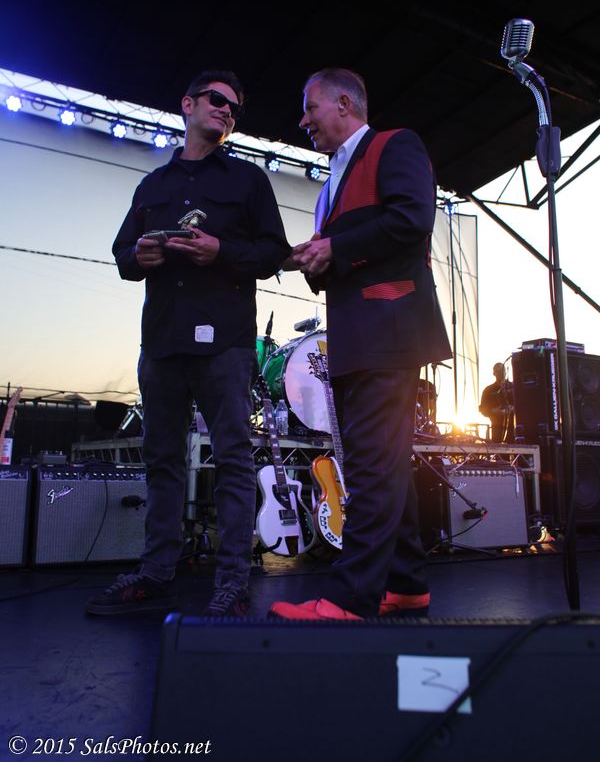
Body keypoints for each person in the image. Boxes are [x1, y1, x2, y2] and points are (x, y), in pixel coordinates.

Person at [86, 70, 290, 617]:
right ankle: (156, 572)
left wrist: (221, 251)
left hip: (224, 342)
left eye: (235, 108)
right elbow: (122, 252)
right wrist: (139, 256)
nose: (227, 110)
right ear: (187, 104)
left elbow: (274, 252)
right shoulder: (152, 185)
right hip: (161, 341)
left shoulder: (248, 181)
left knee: (233, 458)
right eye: (218, 100)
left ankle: (233, 581)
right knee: (162, 459)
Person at [270, 68, 451, 621]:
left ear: (344, 104)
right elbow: (341, 260)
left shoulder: (395, 145)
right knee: (384, 465)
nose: (303, 120)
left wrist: (336, 248)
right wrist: (314, 260)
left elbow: (413, 218)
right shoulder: (330, 185)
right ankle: (407, 584)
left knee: (372, 467)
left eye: (310, 107)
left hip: (390, 329)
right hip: (355, 337)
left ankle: (350, 598)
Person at [479, 362, 515, 443]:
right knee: (498, 449)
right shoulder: (488, 390)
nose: (500, 373)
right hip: (497, 428)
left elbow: (522, 404)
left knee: (515, 448)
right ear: (494, 373)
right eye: (498, 371)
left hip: (513, 428)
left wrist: (512, 409)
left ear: (506, 371)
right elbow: (482, 408)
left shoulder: (514, 387)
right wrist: (493, 411)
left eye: (502, 370)